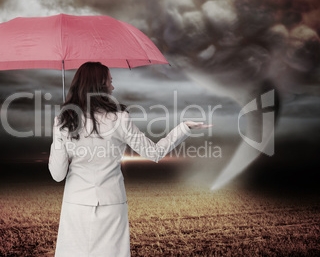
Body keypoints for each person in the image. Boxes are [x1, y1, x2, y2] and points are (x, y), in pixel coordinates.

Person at [48, 62, 212, 257]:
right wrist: (184, 128)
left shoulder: (63, 122)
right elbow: (155, 153)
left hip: (75, 205)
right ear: (100, 84)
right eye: (110, 81)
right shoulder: (119, 119)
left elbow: (57, 175)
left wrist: (59, 136)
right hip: (112, 204)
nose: (113, 86)